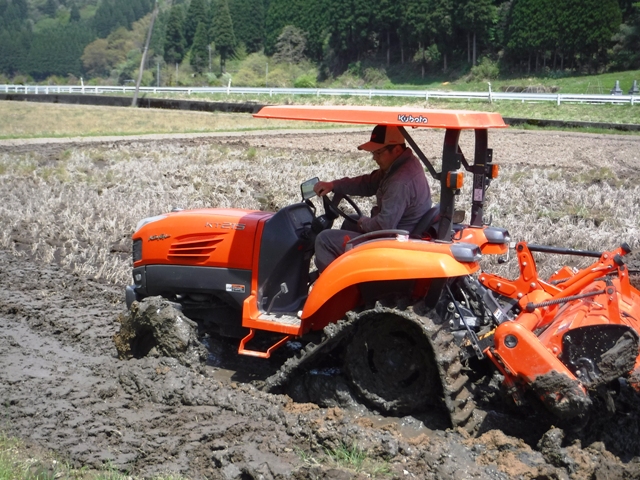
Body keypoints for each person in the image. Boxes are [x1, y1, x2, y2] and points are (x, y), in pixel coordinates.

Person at [313, 124, 432, 273]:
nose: (374, 157)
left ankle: (339, 291)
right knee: (352, 220)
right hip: (399, 231)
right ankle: (348, 273)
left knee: (324, 240)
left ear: (396, 149)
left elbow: (384, 227)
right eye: (373, 153)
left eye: (378, 152)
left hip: (394, 243)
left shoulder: (400, 182)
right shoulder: (401, 165)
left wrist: (364, 223)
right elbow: (368, 184)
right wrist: (334, 185)